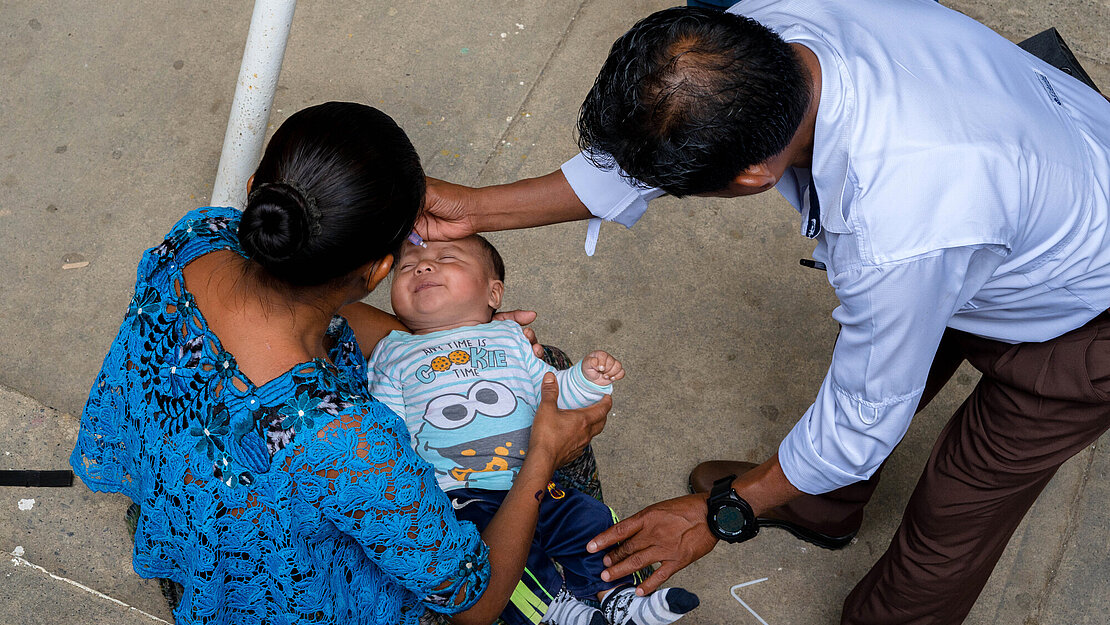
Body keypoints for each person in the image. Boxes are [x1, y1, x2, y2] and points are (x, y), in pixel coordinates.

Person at [414, 2, 1110, 624]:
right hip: (1031, 183)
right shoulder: (755, 36)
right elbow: (657, 138)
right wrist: (478, 207)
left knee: (954, 509)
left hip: (1086, 311)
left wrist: (726, 511)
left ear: (754, 176)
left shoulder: (898, 230)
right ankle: (814, 499)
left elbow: (865, 415)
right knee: (890, 358)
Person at [69, 101, 611, 625]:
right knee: (550, 388)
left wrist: (439, 346)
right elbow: (475, 601)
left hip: (184, 486)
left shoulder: (198, 240)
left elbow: (321, 314)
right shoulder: (348, 437)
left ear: (262, 191)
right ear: (378, 271)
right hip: (290, 589)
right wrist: (542, 454)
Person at [367, 235, 699, 625]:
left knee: (593, 520)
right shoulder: (392, 351)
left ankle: (617, 598)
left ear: (494, 293)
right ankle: (555, 611)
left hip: (533, 478)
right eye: (407, 266)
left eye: (446, 258)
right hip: (460, 495)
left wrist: (589, 380)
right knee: (487, 558)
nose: (423, 267)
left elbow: (551, 388)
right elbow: (385, 429)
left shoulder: (510, 338)